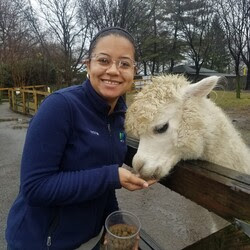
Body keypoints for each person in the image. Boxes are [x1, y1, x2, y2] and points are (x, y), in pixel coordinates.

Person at [5, 27, 156, 250]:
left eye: (124, 64)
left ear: (134, 71)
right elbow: (35, 187)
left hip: (92, 241)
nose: (114, 70)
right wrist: (111, 176)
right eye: (104, 60)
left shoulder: (119, 116)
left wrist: (115, 223)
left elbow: (105, 185)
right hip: (41, 243)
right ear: (88, 65)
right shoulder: (59, 107)